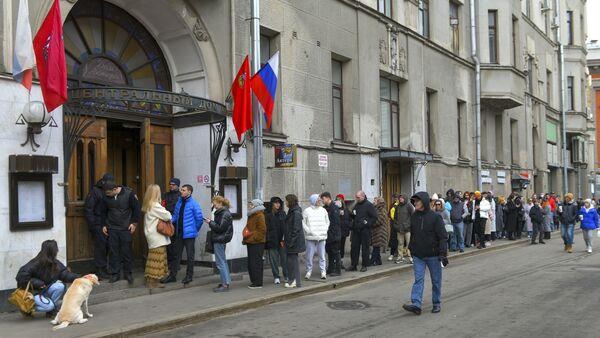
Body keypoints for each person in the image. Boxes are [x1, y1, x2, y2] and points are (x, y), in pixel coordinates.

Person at [402, 192, 448, 315]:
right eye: (414, 201)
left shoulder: (435, 217)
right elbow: (413, 234)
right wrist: (411, 247)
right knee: (418, 279)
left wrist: (443, 253)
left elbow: (443, 236)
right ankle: (416, 304)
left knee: (436, 281)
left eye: (417, 201)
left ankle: (436, 303)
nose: (415, 203)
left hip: (433, 255)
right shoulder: (414, 216)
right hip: (418, 255)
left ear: (424, 202)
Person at [15, 240, 79, 317]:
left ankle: (50, 311)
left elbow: (64, 274)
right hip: (33, 293)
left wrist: (80, 278)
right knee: (50, 306)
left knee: (60, 286)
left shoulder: (54, 263)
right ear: (52, 251)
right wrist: (37, 283)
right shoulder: (35, 263)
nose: (57, 251)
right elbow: (21, 276)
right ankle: (27, 307)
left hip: (44, 290)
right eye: (56, 249)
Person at [101, 181, 141, 284]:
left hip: (125, 228)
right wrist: (103, 224)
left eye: (109, 193)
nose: (107, 195)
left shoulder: (129, 193)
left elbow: (136, 209)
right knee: (113, 252)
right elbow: (103, 211)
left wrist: (134, 223)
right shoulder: (106, 195)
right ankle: (115, 274)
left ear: (115, 189)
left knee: (126, 252)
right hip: (112, 228)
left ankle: (128, 273)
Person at [170, 184, 204, 284]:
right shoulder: (179, 203)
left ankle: (189, 276)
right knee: (176, 255)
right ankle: (172, 276)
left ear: (189, 192)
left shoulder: (194, 204)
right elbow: (175, 216)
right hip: (179, 233)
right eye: (181, 190)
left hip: (189, 235)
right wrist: (169, 222)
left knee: (190, 256)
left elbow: (199, 219)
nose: (181, 191)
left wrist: (194, 230)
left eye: (184, 190)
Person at [83, 173, 113, 279]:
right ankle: (100, 270)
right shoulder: (95, 191)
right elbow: (89, 209)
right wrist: (93, 225)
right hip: (98, 224)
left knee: (108, 246)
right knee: (100, 247)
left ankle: (105, 268)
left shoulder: (110, 190)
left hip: (109, 223)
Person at [142, 184, 172, 289]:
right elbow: (168, 216)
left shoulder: (148, 204)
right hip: (157, 236)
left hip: (152, 235)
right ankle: (152, 282)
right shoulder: (155, 205)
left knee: (154, 259)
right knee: (157, 259)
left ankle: (154, 281)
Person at [206, 196, 234, 292]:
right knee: (223, 261)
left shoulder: (224, 213)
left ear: (220, 203)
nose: (214, 204)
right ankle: (225, 282)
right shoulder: (222, 212)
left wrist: (210, 222)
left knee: (220, 262)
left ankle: (225, 285)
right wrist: (211, 222)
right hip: (221, 239)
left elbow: (220, 228)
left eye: (215, 203)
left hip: (220, 239)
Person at [349, 191, 378, 272]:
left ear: (363, 196)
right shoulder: (356, 205)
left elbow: (374, 217)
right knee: (354, 248)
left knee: (365, 248)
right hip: (356, 230)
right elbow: (354, 215)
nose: (356, 199)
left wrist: (367, 223)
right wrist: (351, 215)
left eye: (358, 197)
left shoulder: (369, 205)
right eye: (356, 197)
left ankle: (365, 265)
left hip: (365, 230)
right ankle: (353, 265)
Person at [303, 194, 330, 280]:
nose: (319, 201)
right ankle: (308, 271)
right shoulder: (307, 211)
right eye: (318, 199)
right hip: (311, 237)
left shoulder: (323, 210)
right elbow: (303, 223)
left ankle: (323, 271)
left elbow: (327, 222)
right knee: (309, 256)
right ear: (313, 200)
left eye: (320, 199)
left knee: (322, 256)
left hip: (321, 237)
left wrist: (325, 230)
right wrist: (308, 231)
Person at [161, 178, 181, 284]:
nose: (171, 186)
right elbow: (162, 206)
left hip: (176, 225)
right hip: (167, 223)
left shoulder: (180, 196)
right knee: (168, 246)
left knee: (176, 247)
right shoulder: (166, 195)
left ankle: (175, 266)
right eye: (170, 184)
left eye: (173, 184)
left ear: (178, 185)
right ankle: (170, 265)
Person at [243, 199, 267, 289]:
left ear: (256, 205)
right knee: (251, 263)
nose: (249, 206)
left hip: (257, 243)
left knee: (256, 263)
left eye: (251, 204)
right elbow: (250, 228)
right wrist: (246, 233)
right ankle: (254, 281)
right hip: (251, 242)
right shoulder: (252, 214)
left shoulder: (260, 215)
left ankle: (258, 283)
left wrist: (253, 238)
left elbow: (262, 230)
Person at [284, 194, 306, 288]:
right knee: (291, 261)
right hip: (291, 240)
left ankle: (294, 281)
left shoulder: (295, 212)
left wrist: (291, 242)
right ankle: (294, 281)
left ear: (290, 201)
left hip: (293, 242)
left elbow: (296, 229)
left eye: (286, 201)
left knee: (292, 261)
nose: (285, 203)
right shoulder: (292, 211)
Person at [265, 196, 288, 285]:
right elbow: (266, 229)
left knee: (284, 259)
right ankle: (276, 276)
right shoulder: (268, 215)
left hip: (282, 240)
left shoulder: (283, 213)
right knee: (274, 260)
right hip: (272, 240)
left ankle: (286, 275)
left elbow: (286, 227)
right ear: (272, 204)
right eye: (275, 203)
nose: (277, 205)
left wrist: (285, 238)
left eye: (279, 203)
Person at [322, 192, 342, 276]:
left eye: (323, 199)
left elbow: (335, 223)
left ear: (327, 198)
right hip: (329, 235)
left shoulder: (334, 208)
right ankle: (330, 268)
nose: (322, 201)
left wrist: (332, 235)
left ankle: (337, 270)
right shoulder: (327, 208)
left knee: (335, 252)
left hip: (334, 235)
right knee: (329, 252)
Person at [393, 194, 414, 264]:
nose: (400, 199)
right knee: (400, 243)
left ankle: (411, 257)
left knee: (409, 243)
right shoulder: (397, 207)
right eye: (400, 198)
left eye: (402, 198)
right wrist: (396, 225)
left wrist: (409, 225)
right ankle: (400, 257)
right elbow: (395, 217)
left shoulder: (409, 206)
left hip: (407, 229)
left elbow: (413, 216)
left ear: (405, 198)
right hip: (399, 229)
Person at [371, 197, 389, 266]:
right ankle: (379, 261)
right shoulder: (377, 208)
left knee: (376, 247)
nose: (374, 202)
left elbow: (379, 220)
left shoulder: (382, 210)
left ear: (379, 202)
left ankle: (372, 261)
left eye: (376, 201)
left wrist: (371, 223)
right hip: (377, 231)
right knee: (376, 246)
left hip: (380, 231)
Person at [336, 194, 351, 269]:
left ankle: (341, 261)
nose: (339, 201)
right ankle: (336, 262)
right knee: (336, 247)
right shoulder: (334, 209)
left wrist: (348, 226)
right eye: (337, 199)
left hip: (343, 231)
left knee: (342, 247)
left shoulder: (346, 209)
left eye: (340, 199)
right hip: (337, 232)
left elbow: (349, 219)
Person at [388, 194, 400, 261]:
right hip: (393, 225)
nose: (395, 199)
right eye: (394, 198)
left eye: (396, 198)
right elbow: (389, 214)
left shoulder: (402, 205)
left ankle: (400, 254)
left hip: (400, 225)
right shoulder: (392, 205)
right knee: (393, 240)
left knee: (400, 241)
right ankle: (392, 253)